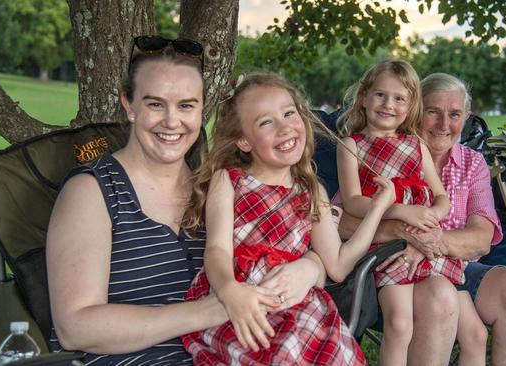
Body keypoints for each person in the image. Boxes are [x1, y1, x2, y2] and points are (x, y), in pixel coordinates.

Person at [45, 36, 326, 365]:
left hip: (228, 353)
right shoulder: (92, 191)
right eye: (155, 104)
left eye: (186, 105)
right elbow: (75, 328)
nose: (172, 120)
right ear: (129, 105)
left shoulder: (217, 186)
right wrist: (210, 310)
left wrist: (311, 267)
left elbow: (285, 247)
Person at [180, 73, 396, 365]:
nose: (284, 128)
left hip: (295, 302)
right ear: (243, 140)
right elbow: (217, 249)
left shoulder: (311, 191)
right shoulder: (229, 180)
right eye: (266, 122)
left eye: (289, 113)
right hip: (240, 296)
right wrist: (230, 291)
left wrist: (377, 209)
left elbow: (339, 265)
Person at [336, 72, 506, 365]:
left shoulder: (472, 162)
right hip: (397, 270)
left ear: (466, 117)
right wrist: (401, 232)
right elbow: (340, 220)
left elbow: (481, 238)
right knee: (438, 295)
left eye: (454, 114)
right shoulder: (382, 153)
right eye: (433, 112)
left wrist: (430, 241)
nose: (445, 125)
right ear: (417, 111)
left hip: (458, 267)